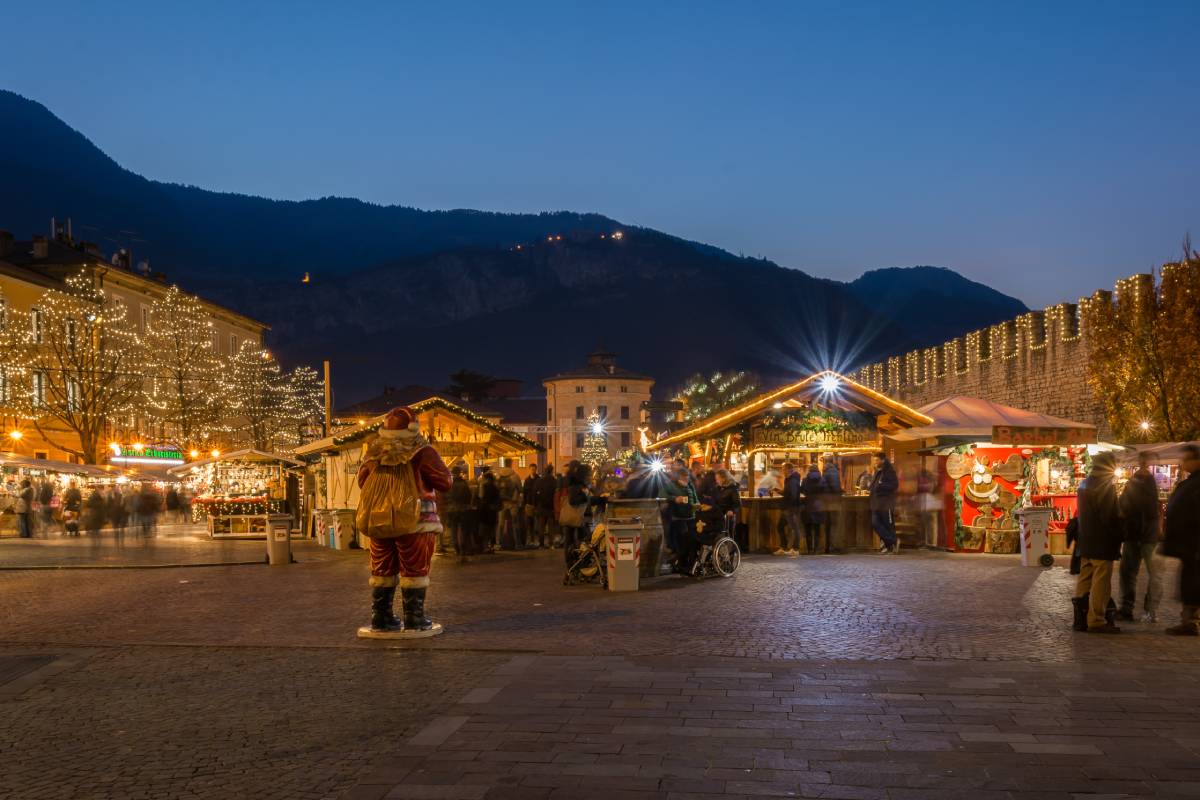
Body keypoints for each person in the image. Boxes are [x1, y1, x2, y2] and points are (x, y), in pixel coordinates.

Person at [355, 406, 452, 635]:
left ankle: (381, 617)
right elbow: (445, 483)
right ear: (413, 427)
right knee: (414, 570)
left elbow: (362, 482)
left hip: (379, 521)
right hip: (416, 521)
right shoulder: (422, 451)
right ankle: (414, 619)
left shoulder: (374, 452)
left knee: (382, 570)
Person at [1071, 452, 1124, 633]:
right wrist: (1120, 534)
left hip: (1085, 541)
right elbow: (1109, 517)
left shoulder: (1084, 484)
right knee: (1101, 581)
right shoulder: (1105, 487)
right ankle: (1096, 619)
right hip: (1102, 543)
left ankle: (1080, 619)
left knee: (1085, 579)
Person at [1118, 453, 1162, 622]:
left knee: (1130, 572)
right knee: (1150, 574)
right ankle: (1149, 609)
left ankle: (1129, 608)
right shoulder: (1151, 483)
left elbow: (1123, 507)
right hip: (1146, 535)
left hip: (1136, 534)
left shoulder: (1134, 483)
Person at [1162, 444, 1200, 636]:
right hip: (1188, 546)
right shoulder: (1191, 482)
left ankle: (1190, 622)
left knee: (1193, 584)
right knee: (1190, 583)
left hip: (1193, 546)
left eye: (1186, 459)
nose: (1182, 463)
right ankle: (1190, 620)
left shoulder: (1196, 484)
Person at [662, 467, 698, 572]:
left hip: (691, 515)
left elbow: (694, 496)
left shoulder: (690, 484)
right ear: (679, 477)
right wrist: (675, 499)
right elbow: (662, 495)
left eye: (687, 476)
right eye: (684, 477)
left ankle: (687, 562)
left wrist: (697, 504)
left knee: (690, 539)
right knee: (682, 540)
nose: (686, 479)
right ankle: (680, 562)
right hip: (678, 516)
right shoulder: (672, 485)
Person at [560, 462, 592, 567]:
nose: (590, 476)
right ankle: (573, 564)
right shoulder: (576, 484)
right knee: (577, 539)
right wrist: (585, 497)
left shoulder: (574, 481)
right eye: (588, 474)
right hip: (575, 516)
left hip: (573, 516)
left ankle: (573, 563)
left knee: (572, 539)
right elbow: (573, 501)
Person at [869, 452, 899, 554]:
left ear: (883, 460)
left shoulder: (889, 471)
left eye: (877, 460)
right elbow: (874, 486)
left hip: (886, 503)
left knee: (888, 525)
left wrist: (880, 487)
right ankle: (893, 541)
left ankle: (890, 547)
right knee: (875, 523)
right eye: (874, 460)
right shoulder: (878, 471)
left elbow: (894, 485)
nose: (875, 462)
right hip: (876, 504)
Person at [443, 466, 473, 562]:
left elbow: (446, 497)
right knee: (463, 531)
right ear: (460, 473)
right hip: (463, 509)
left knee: (454, 531)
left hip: (452, 509)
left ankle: (457, 550)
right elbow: (469, 496)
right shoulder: (464, 483)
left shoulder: (449, 484)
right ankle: (463, 552)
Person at [801, 462, 826, 554]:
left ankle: (809, 550)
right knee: (817, 530)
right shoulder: (822, 480)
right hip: (819, 506)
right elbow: (825, 491)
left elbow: (802, 491)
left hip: (808, 506)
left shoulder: (805, 480)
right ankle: (816, 550)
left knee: (808, 530)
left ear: (809, 470)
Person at [820, 454, 843, 554]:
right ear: (832, 461)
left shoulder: (825, 471)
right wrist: (841, 491)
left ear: (825, 462)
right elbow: (835, 487)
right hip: (833, 501)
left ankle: (827, 547)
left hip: (826, 501)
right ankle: (833, 547)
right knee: (834, 524)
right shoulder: (833, 471)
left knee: (828, 525)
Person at [779, 463, 802, 556]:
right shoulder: (788, 480)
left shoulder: (792, 480)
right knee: (780, 526)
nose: (782, 471)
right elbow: (787, 492)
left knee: (794, 528)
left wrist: (789, 505)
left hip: (791, 508)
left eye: (783, 469)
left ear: (789, 469)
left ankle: (795, 549)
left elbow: (792, 495)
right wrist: (779, 491)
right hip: (787, 507)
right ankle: (784, 547)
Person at [535, 465, 558, 549]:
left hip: (541, 507)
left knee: (541, 526)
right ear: (552, 471)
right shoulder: (554, 481)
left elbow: (535, 492)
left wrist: (537, 503)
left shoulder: (540, 481)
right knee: (551, 527)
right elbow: (556, 494)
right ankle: (551, 543)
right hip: (551, 507)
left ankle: (541, 544)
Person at [478, 471, 501, 552]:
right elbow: (498, 499)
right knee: (491, 528)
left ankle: (485, 547)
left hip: (485, 510)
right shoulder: (495, 487)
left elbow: (481, 497)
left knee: (484, 529)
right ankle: (491, 545)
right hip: (493, 510)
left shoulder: (483, 486)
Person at [522, 466, 539, 547]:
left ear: (536, 470)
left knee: (537, 522)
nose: (533, 470)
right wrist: (525, 503)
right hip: (529, 504)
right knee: (529, 523)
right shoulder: (527, 480)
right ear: (529, 470)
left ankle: (536, 540)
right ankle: (531, 540)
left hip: (537, 504)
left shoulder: (539, 479)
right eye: (532, 469)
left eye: (534, 469)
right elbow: (524, 492)